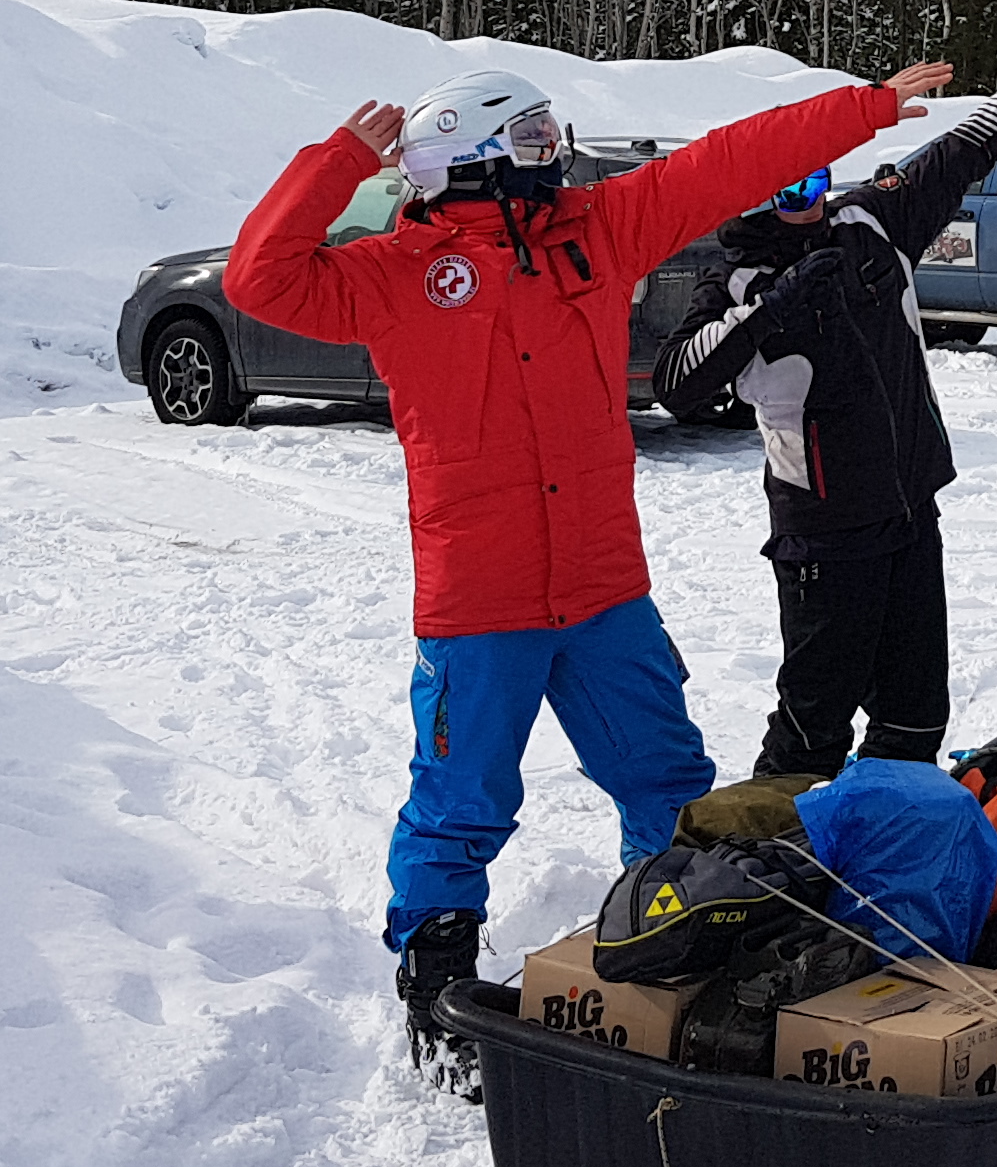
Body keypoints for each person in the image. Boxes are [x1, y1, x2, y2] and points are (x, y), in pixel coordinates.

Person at [222, 54, 954, 1067]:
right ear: (471, 160)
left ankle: (676, 938)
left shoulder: (596, 236)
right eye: (530, 139)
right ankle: (436, 981)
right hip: (481, 599)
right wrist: (344, 160)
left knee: (666, 779)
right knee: (461, 796)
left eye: (550, 135)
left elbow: (728, 164)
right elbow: (257, 276)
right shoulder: (390, 277)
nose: (552, 154)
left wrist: (863, 110)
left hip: (605, 590)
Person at [656, 29, 997, 777]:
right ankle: (779, 859)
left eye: (813, 184)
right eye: (784, 190)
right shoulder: (737, 282)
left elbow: (957, 153)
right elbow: (680, 382)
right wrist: (770, 309)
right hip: (824, 533)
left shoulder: (870, 223)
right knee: (814, 726)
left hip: (910, 508)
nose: (804, 205)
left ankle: (885, 849)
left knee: (914, 715)